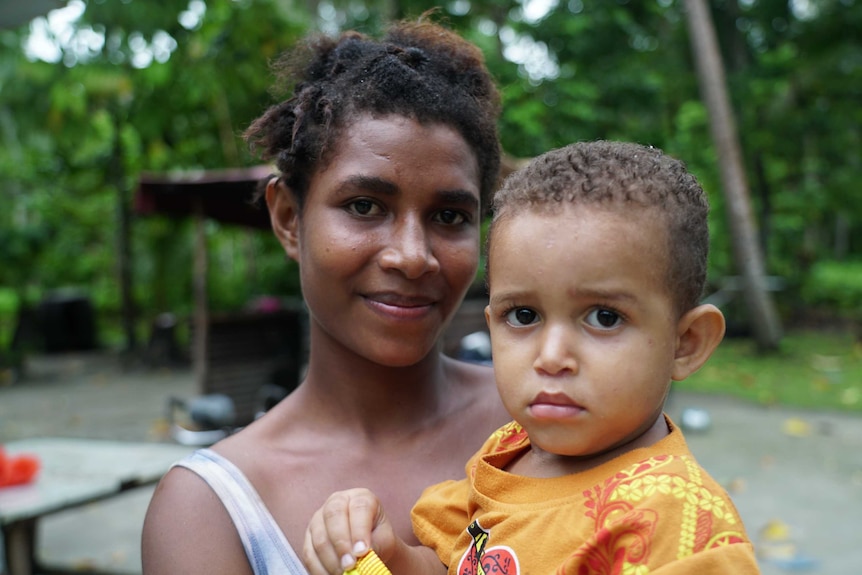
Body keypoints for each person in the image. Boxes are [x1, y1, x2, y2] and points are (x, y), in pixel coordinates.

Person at [141, 16, 511, 575]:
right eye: (365, 206)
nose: (412, 255)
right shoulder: (210, 511)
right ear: (289, 219)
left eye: (449, 216)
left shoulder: (547, 423)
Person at [303, 140, 761, 574]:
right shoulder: (508, 453)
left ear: (687, 342)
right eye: (523, 315)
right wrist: (385, 555)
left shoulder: (677, 520)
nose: (552, 356)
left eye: (604, 318)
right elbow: (453, 561)